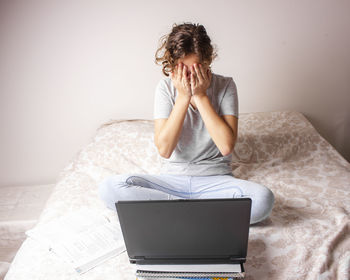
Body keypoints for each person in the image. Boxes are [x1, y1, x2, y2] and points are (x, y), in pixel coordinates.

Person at [98, 22, 274, 225]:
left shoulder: (226, 86)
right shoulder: (165, 88)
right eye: (183, 69)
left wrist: (200, 96)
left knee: (263, 200)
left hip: (216, 182)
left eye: (196, 68)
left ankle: (176, 214)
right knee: (110, 188)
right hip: (171, 181)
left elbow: (226, 146)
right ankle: (198, 214)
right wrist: (182, 97)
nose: (190, 77)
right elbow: (165, 149)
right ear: (172, 65)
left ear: (207, 62)